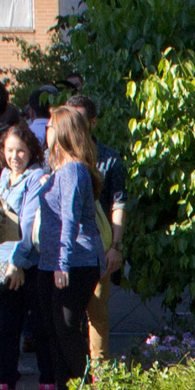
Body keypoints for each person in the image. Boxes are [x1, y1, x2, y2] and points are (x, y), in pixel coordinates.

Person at [33, 106, 108, 390]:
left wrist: (62, 262)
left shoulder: (74, 170)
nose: (46, 131)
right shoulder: (58, 170)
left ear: (63, 132)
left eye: (50, 126)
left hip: (75, 261)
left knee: (67, 328)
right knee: (53, 329)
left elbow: (71, 219)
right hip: (52, 261)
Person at [0, 122, 50, 390]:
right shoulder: (3, 178)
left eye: (20, 150)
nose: (14, 156)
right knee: (5, 328)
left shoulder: (36, 178)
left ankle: (48, 385)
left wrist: (17, 263)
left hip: (28, 265)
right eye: (9, 150)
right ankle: (6, 386)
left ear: (31, 150)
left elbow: (29, 221)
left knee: (39, 327)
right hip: (2, 264)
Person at [74, 96, 129, 369]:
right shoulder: (56, 157)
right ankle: (73, 373)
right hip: (68, 248)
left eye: (79, 120)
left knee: (97, 313)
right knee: (69, 317)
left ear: (92, 122)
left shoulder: (109, 159)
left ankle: (101, 377)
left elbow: (119, 203)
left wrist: (115, 247)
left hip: (100, 246)